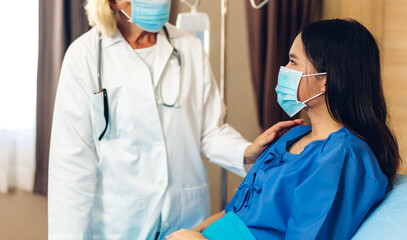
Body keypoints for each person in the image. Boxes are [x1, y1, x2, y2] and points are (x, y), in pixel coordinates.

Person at [47, 0, 303, 239]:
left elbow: (210, 131)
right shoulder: (84, 56)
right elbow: (72, 164)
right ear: (113, 2)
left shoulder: (189, 47)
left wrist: (247, 151)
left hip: (186, 220)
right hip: (119, 223)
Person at [167, 19, 401, 240]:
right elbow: (236, 210)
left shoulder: (342, 158)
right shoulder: (291, 136)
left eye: (293, 61)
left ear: (325, 79)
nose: (284, 69)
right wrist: (192, 231)